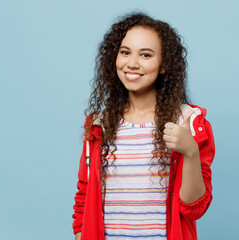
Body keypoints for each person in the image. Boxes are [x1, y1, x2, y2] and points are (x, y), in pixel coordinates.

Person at [72, 11, 216, 240]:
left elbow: (194, 207)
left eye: (146, 55)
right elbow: (83, 197)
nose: (132, 63)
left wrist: (190, 152)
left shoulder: (188, 123)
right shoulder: (100, 125)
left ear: (164, 66)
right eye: (125, 52)